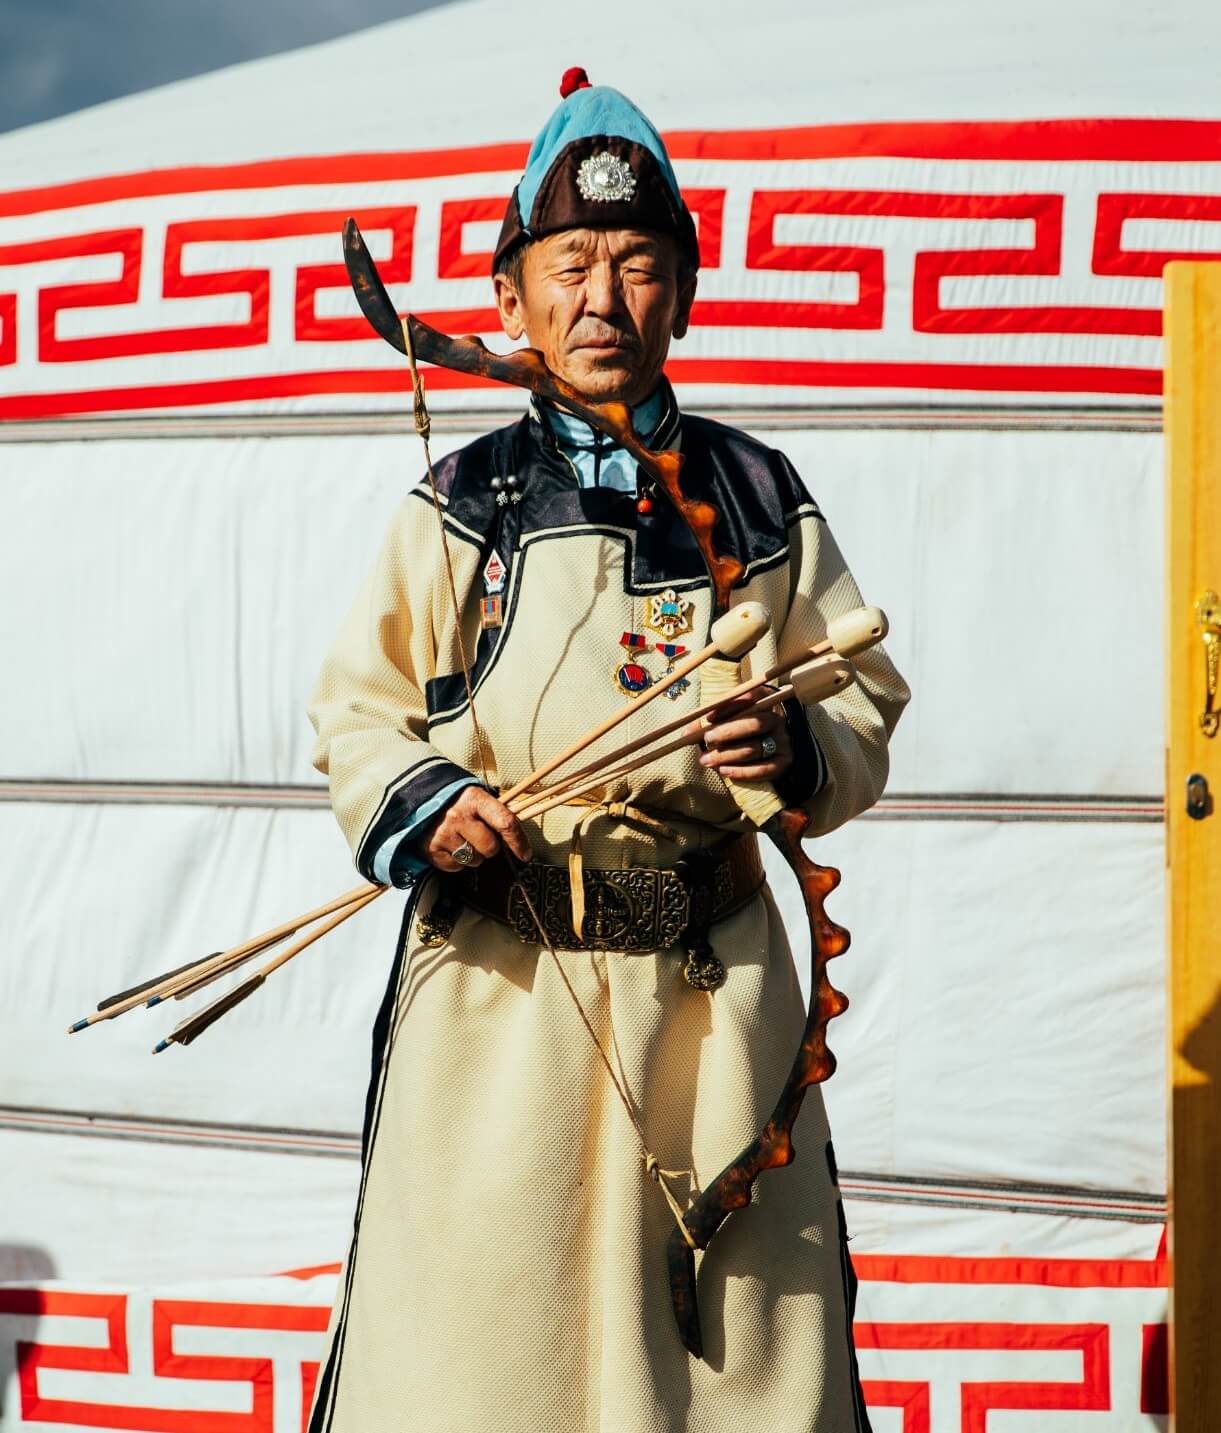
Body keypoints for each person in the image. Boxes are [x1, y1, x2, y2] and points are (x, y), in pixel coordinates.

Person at [306, 69, 908, 1433]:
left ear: (680, 297)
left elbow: (860, 695)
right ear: (510, 297)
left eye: (638, 266)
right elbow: (357, 709)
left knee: (742, 1370)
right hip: (505, 1001)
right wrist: (429, 801)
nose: (601, 298)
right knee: (485, 1365)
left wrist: (795, 738)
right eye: (568, 263)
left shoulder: (757, 494)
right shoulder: (464, 500)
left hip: (715, 1009)